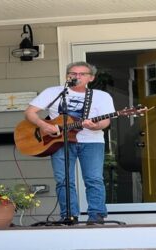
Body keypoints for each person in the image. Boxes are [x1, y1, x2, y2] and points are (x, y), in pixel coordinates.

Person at [24, 61, 115, 224]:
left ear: (91, 78)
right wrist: (45, 126)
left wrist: (95, 126)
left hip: (92, 142)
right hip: (59, 142)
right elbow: (30, 112)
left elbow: (105, 122)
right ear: (67, 76)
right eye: (73, 73)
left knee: (94, 178)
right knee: (63, 180)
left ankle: (96, 215)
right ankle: (69, 216)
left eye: (82, 74)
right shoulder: (53, 92)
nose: (76, 76)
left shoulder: (101, 96)